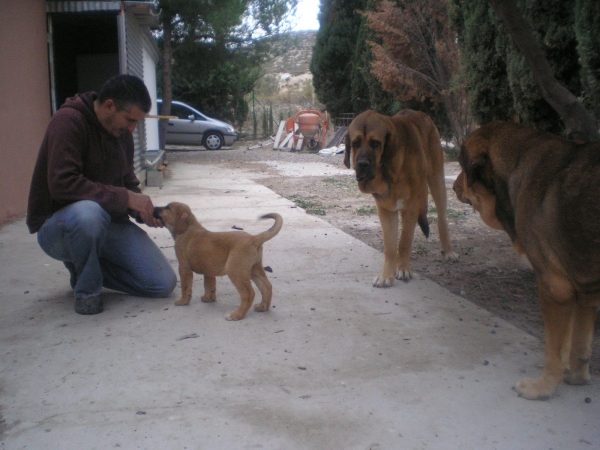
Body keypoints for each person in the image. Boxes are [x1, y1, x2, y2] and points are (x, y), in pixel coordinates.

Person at [26, 74, 177, 315]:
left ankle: (85, 265)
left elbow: (128, 184)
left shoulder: (122, 135)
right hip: (59, 228)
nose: (131, 129)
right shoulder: (68, 121)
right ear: (109, 106)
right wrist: (125, 197)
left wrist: (141, 211)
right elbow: (63, 184)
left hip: (106, 225)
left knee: (161, 283)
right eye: (129, 120)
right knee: (89, 213)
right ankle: (87, 291)